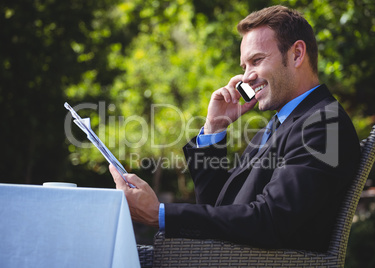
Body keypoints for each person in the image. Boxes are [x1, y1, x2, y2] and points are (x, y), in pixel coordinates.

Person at [109, 5, 360, 251]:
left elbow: (269, 221)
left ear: (296, 54)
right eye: (244, 67)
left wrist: (159, 213)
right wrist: (214, 128)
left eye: (257, 61)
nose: (246, 77)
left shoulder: (324, 125)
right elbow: (220, 205)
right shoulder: (280, 124)